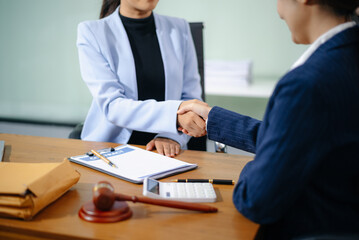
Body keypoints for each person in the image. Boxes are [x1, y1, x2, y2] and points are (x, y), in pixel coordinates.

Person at [178, 0, 359, 239]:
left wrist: (257, 166)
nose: (278, 9)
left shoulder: (307, 83)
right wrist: (213, 118)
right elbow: (302, 135)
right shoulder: (346, 57)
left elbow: (255, 199)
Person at [77, 0, 205, 157]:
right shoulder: (91, 32)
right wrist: (173, 117)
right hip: (110, 150)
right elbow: (113, 106)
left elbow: (191, 98)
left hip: (166, 152)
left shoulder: (179, 28)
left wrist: (171, 135)